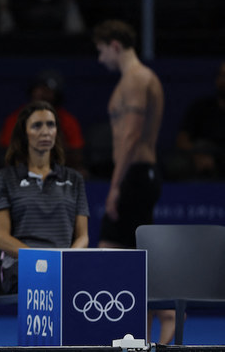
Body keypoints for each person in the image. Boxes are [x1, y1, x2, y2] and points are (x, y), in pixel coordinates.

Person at [92, 19, 172, 343]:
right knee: (126, 262)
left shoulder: (136, 78)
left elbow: (131, 136)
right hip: (138, 176)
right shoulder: (133, 79)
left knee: (114, 259)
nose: (100, 60)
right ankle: (154, 327)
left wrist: (114, 186)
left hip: (135, 177)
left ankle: (166, 318)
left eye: (100, 51)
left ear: (114, 45)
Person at [0, 100, 89, 294]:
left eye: (50, 125)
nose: (45, 131)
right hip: (22, 265)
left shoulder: (74, 179)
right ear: (24, 134)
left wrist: (67, 260)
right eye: (37, 125)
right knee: (47, 279)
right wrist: (41, 260)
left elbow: (83, 236)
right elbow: (2, 239)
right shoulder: (4, 179)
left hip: (64, 264)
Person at [0, 70, 86, 173]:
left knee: (81, 173)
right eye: (39, 89)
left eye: (48, 91)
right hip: (25, 171)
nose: (42, 94)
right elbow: (8, 154)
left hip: (59, 170)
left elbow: (77, 154)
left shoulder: (67, 120)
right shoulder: (17, 118)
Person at [175, 60, 225, 179]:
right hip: (200, 159)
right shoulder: (201, 108)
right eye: (222, 75)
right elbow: (182, 139)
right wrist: (197, 155)